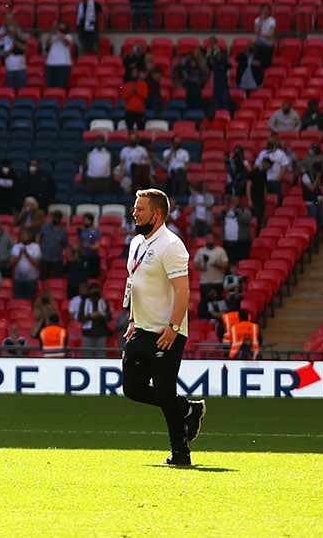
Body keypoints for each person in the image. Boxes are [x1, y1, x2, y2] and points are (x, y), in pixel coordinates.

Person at [122, 187, 205, 467]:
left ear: (157, 213)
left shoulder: (171, 245)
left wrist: (173, 326)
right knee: (132, 389)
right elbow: (134, 284)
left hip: (165, 331)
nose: (134, 212)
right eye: (134, 208)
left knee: (163, 389)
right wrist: (133, 319)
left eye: (140, 209)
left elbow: (182, 291)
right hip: (142, 328)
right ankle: (188, 409)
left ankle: (181, 454)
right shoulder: (137, 243)